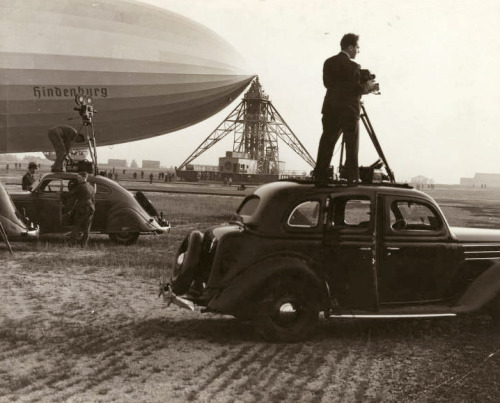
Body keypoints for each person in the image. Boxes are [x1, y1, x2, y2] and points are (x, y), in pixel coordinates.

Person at [314, 33, 379, 184]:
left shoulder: (328, 62)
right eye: (357, 47)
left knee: (327, 141)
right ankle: (352, 177)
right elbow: (355, 89)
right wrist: (368, 87)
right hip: (349, 111)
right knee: (351, 145)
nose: (358, 50)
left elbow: (328, 84)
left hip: (330, 109)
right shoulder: (354, 67)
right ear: (350, 47)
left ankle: (320, 173)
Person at [66, 171, 95, 247]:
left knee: (77, 225)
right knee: (87, 227)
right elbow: (93, 199)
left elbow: (72, 194)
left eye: (79, 177)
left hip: (81, 208)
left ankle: (72, 243)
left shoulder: (80, 186)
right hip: (90, 208)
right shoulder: (91, 187)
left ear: (83, 178)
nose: (77, 179)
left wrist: (62, 194)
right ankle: (84, 244)